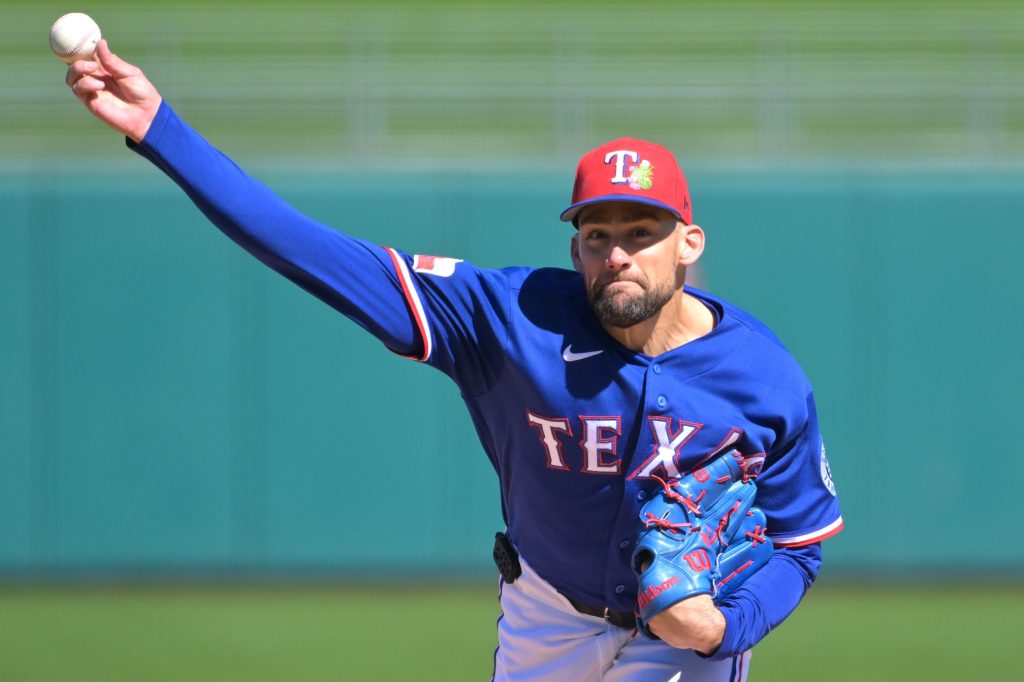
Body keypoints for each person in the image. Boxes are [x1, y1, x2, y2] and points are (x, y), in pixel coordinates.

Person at [65, 40, 843, 681]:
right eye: (598, 235)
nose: (618, 255)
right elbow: (308, 247)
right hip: (548, 616)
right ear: (575, 246)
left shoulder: (765, 379)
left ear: (689, 243)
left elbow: (800, 545)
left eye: (642, 231)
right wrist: (160, 129)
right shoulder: (506, 318)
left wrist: (724, 628)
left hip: (685, 641)